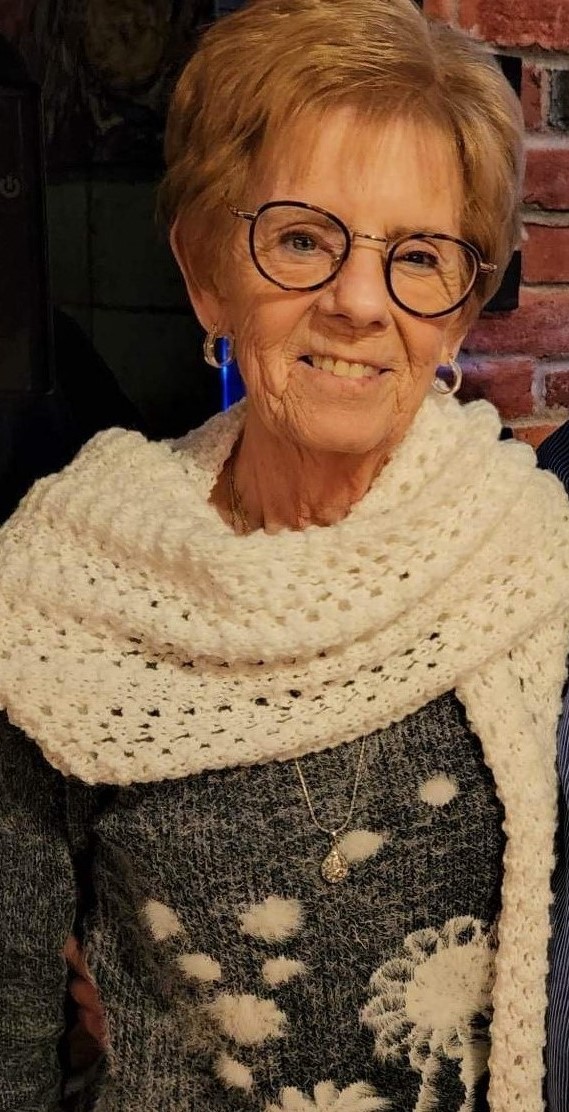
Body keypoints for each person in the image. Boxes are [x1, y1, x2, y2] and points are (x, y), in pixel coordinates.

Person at [1, 0, 569, 1109]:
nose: (358, 303)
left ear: (458, 313)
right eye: (302, 239)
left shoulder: (534, 561)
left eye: (417, 255)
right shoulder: (65, 596)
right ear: (206, 270)